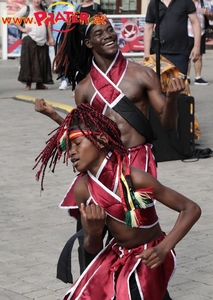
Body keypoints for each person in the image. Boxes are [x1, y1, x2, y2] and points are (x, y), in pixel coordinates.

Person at [35, 13, 185, 299]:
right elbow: (80, 133)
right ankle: (92, 287)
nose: (108, 35)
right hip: (100, 167)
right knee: (90, 228)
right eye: (100, 33)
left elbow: (167, 126)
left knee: (139, 230)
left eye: (111, 30)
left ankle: (147, 285)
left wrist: (174, 99)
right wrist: (54, 116)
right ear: (88, 42)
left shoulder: (142, 74)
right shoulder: (83, 89)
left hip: (137, 162)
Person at [33, 103, 201, 300]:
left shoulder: (135, 178)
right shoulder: (82, 189)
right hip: (117, 253)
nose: (71, 151)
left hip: (149, 252)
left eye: (77, 144)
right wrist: (95, 233)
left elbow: (191, 208)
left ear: (102, 141)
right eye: (69, 146)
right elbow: (92, 248)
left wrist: (164, 248)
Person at [144, 0, 201, 77]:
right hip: (158, 53)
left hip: (180, 52)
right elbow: (148, 28)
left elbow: (195, 23)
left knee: (178, 84)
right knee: (159, 85)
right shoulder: (154, 3)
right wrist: (146, 52)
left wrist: (197, 46)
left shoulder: (186, 1)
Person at [14, 0, 55, 90]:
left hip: (42, 39)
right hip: (29, 38)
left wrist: (50, 38)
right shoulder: (27, 9)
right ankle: (28, 83)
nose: (37, 1)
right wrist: (22, 29)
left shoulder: (44, 10)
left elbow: (48, 24)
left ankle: (40, 83)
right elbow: (15, 18)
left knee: (42, 61)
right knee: (29, 61)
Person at [49, 0, 78, 90]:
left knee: (72, 59)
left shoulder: (75, 6)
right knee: (61, 60)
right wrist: (50, 37)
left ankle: (72, 78)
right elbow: (49, 24)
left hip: (71, 37)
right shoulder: (53, 7)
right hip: (57, 37)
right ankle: (63, 80)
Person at [187, 0, 213, 85]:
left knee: (199, 55)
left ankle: (198, 77)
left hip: (201, 32)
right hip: (187, 31)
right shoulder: (185, 2)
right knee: (186, 56)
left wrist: (208, 13)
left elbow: (211, 17)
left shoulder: (204, 3)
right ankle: (186, 77)